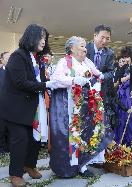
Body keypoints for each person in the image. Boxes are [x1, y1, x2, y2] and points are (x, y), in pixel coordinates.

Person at [0, 24, 56, 187]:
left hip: (33, 105)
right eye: (40, 37)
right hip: (15, 108)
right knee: (21, 139)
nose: (43, 41)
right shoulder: (19, 56)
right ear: (31, 37)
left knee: (35, 139)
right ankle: (15, 174)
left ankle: (29, 165)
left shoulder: (37, 58)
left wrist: (50, 83)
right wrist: (47, 85)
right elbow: (20, 83)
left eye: (45, 38)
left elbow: (40, 80)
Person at [49, 36, 113, 177]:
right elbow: (56, 79)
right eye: (82, 46)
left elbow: (98, 75)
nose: (85, 49)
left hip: (87, 106)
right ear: (72, 49)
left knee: (85, 133)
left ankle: (82, 165)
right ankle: (69, 166)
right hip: (70, 106)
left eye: (85, 46)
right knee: (72, 135)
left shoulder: (86, 62)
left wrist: (96, 83)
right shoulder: (64, 61)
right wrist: (73, 80)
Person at [86, 25, 117, 129]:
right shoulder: (85, 48)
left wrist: (101, 76)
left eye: (107, 38)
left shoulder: (110, 53)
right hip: (85, 89)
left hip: (101, 91)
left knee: (100, 121)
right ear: (95, 36)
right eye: (102, 37)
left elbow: (111, 72)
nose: (104, 41)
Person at [114, 47, 132, 145]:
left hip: (131, 92)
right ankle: (122, 140)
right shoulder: (123, 68)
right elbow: (119, 80)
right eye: (124, 57)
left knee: (131, 116)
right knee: (122, 116)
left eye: (127, 57)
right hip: (122, 93)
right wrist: (129, 76)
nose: (125, 59)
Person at [0, 52, 10, 154]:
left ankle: (9, 147)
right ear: (2, 60)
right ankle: (2, 148)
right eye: (7, 58)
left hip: (12, 105)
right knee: (2, 127)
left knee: (11, 128)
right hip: (1, 104)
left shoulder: (14, 72)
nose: (9, 59)